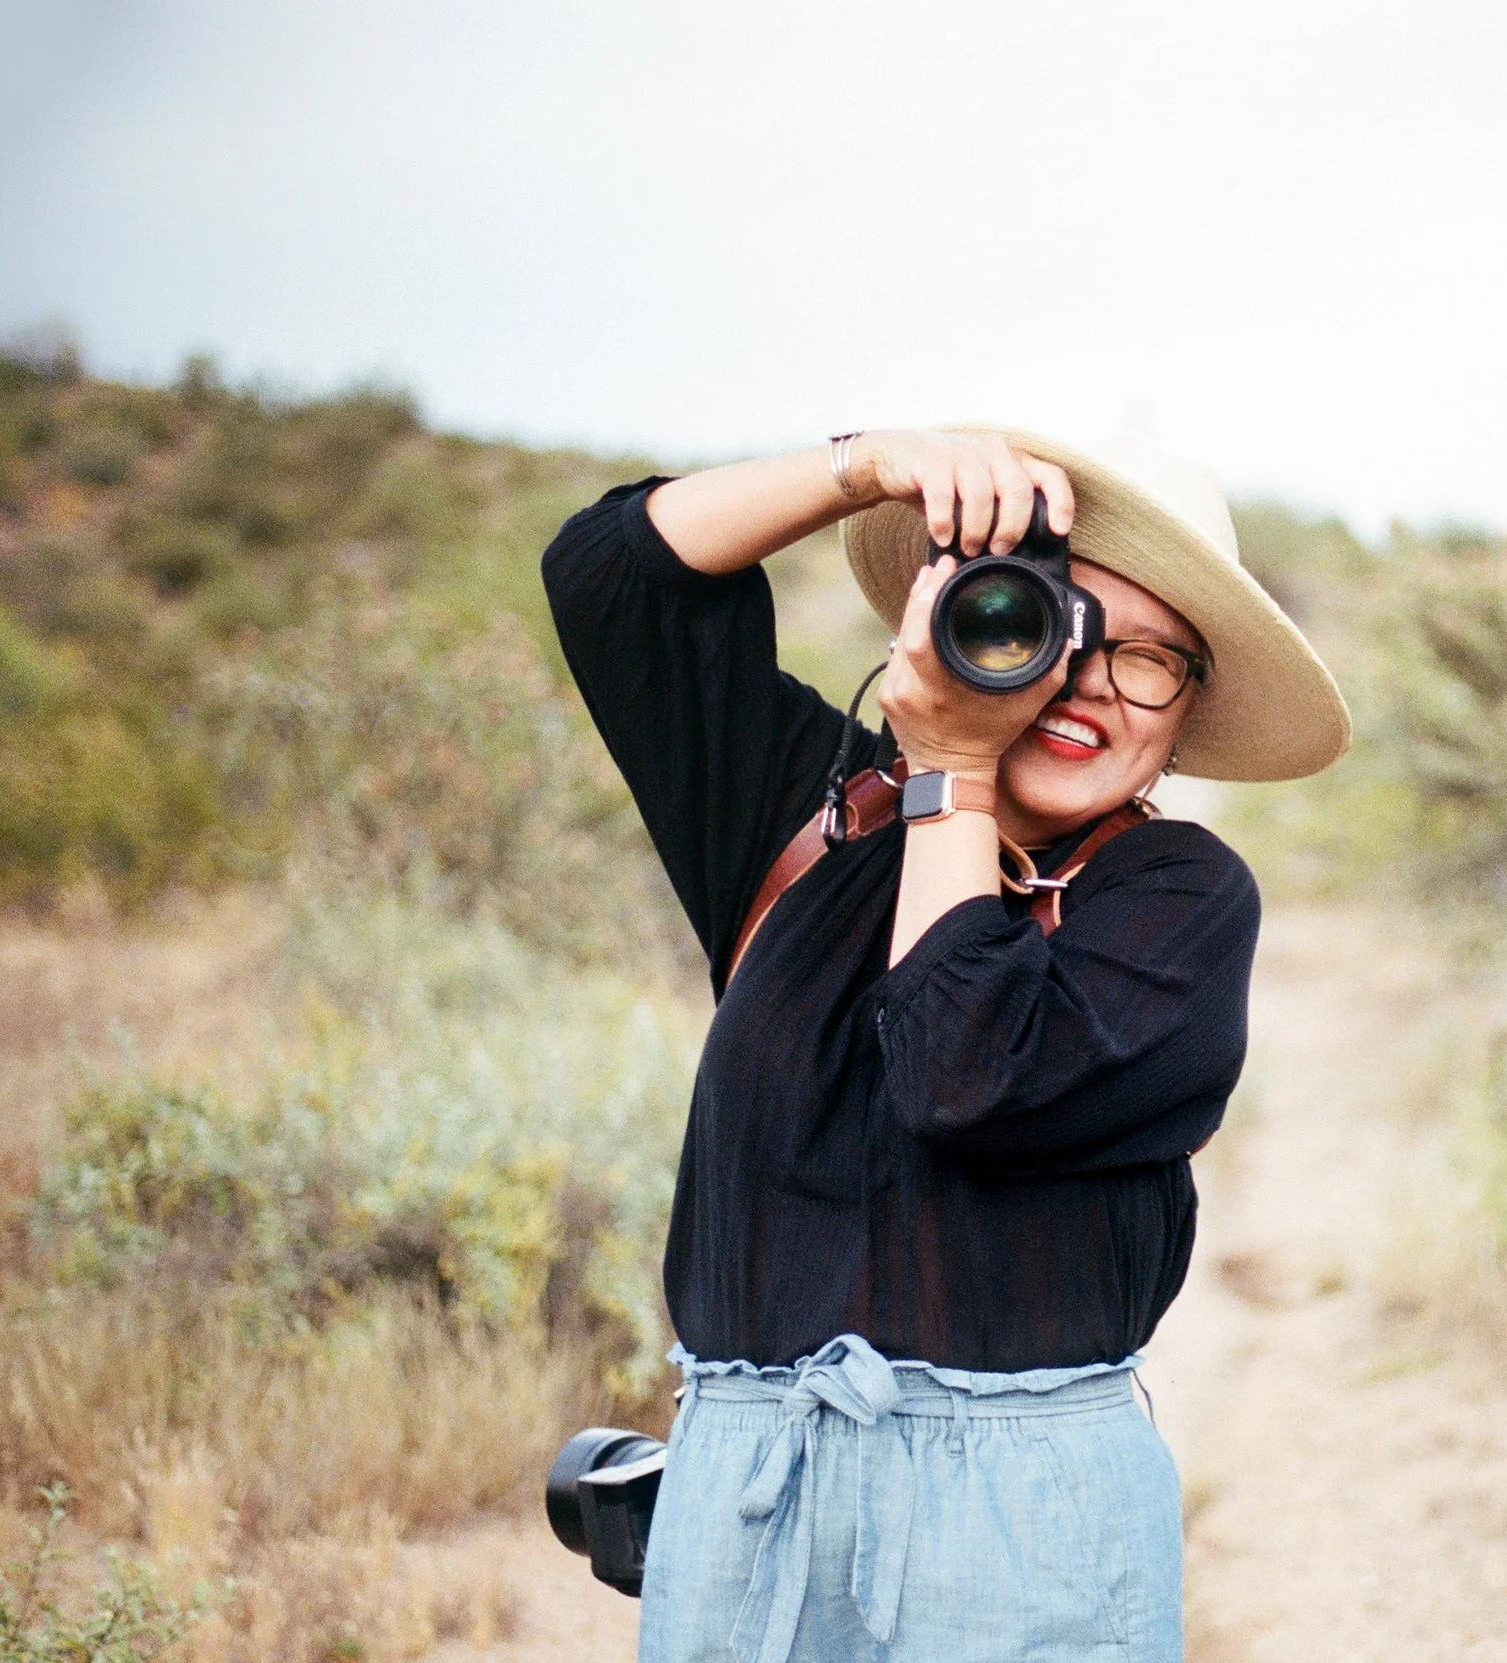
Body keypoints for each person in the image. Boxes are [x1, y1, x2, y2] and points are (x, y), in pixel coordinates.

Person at [541, 427, 1348, 1663]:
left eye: (1148, 661)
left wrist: (955, 767)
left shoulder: (1180, 897)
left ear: (1186, 715)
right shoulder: (805, 815)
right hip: (746, 1497)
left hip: (1025, 1521)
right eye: (1054, 623)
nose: (1088, 682)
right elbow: (608, 574)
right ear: (952, 613)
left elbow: (961, 1075)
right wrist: (869, 466)